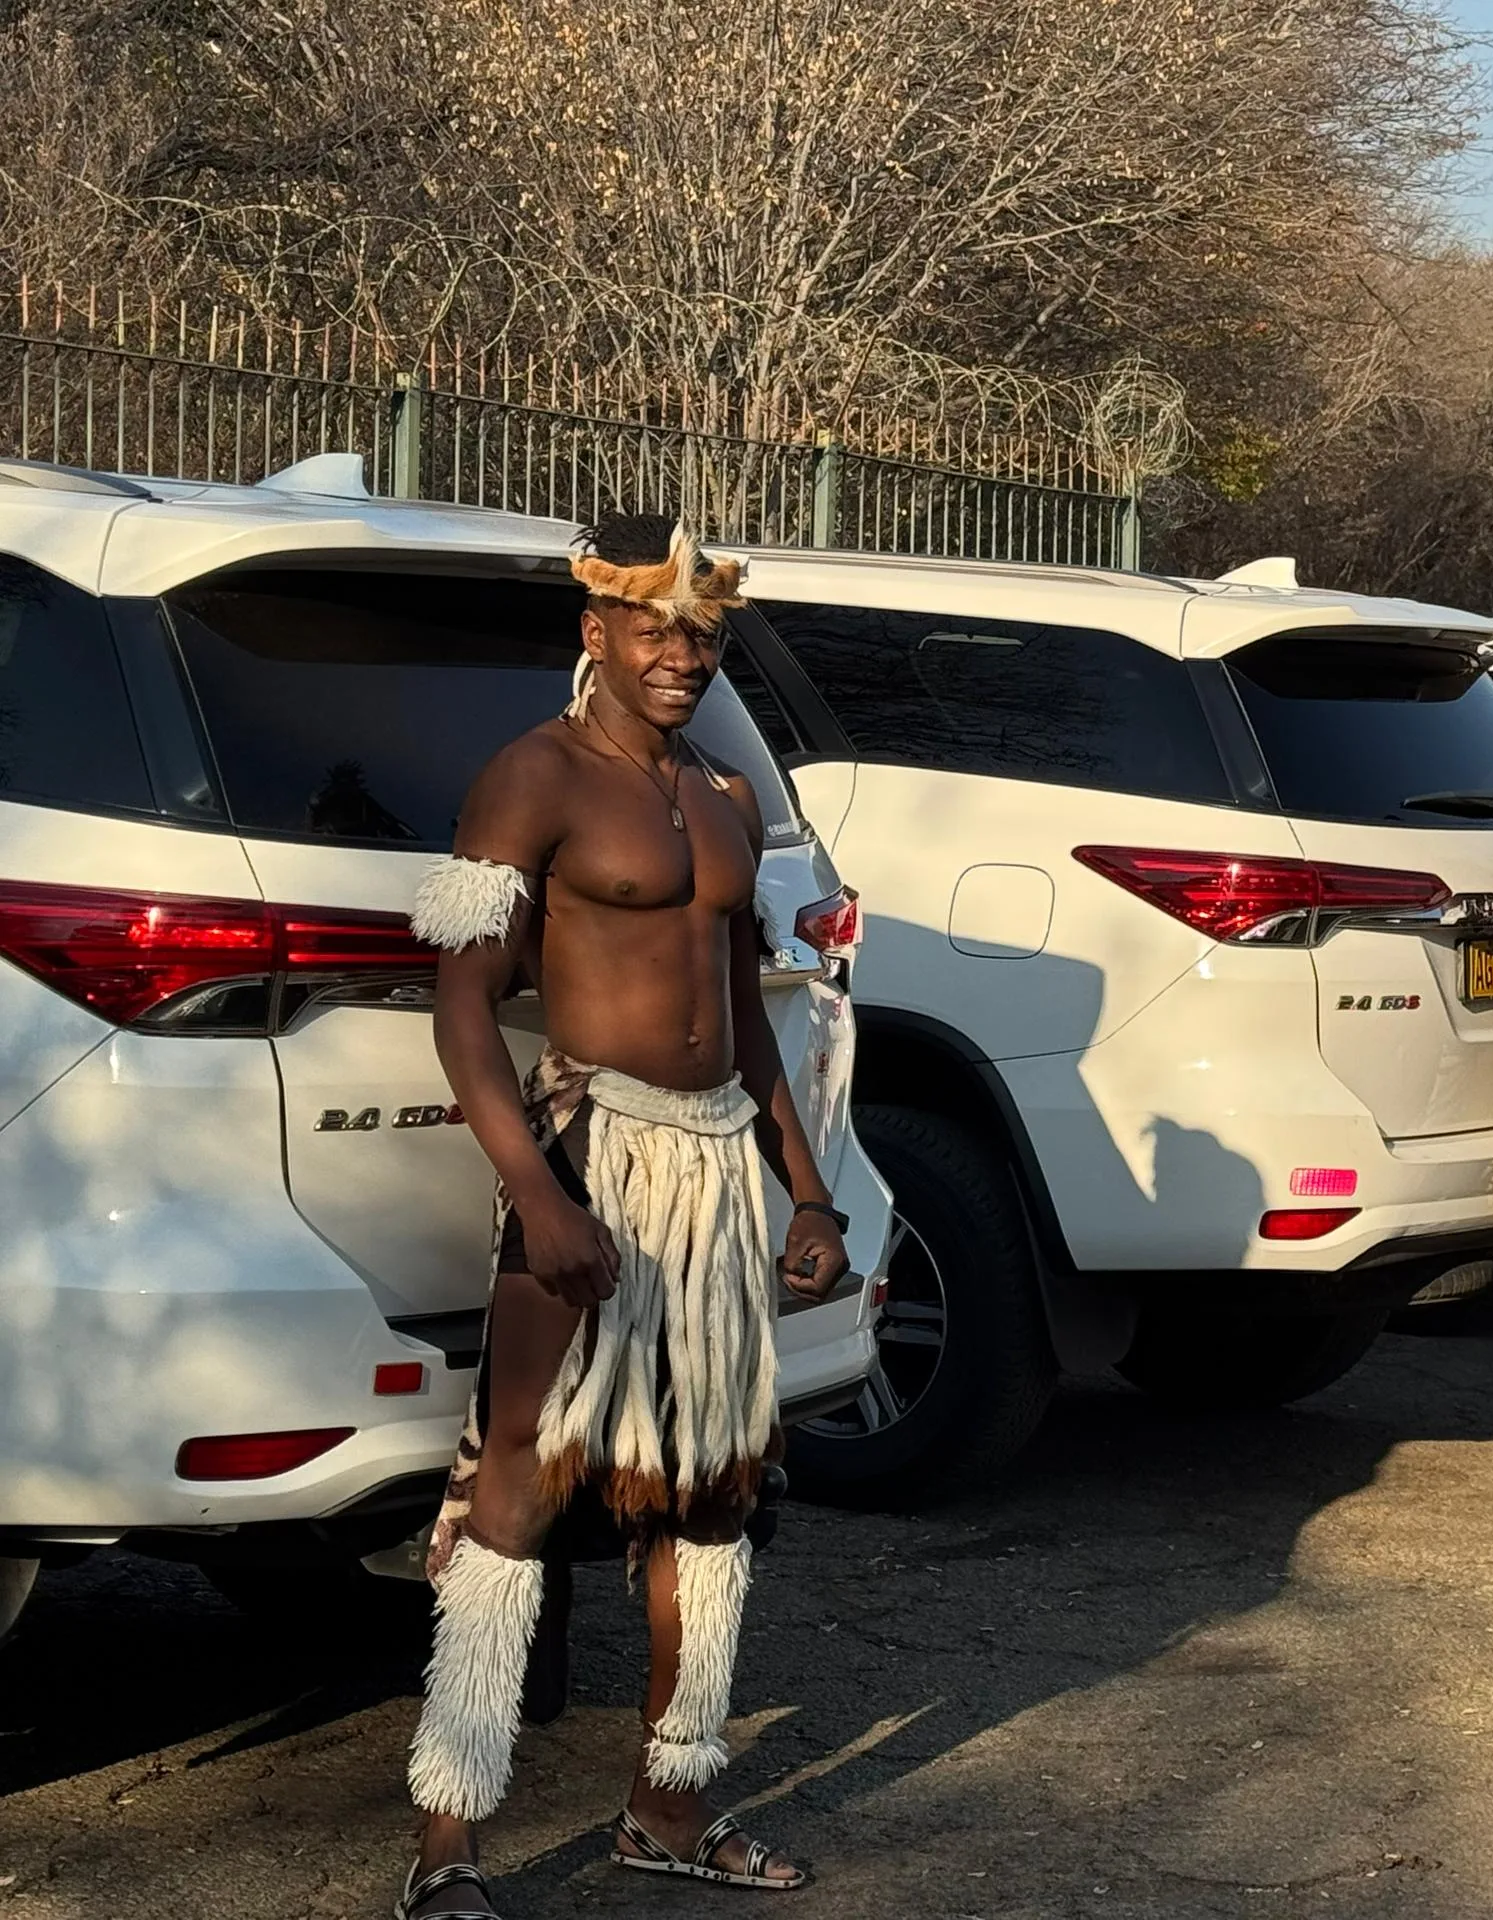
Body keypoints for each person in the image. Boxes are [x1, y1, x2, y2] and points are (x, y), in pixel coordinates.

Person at [397, 514, 851, 1919]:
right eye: (653, 629)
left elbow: (748, 1020)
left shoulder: (721, 791)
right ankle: (448, 1844)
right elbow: (460, 999)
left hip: (718, 1173)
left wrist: (809, 1186)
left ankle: (671, 1803)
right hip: (594, 1155)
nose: (679, 656)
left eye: (701, 637)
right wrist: (537, 1190)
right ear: (593, 632)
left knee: (711, 1491)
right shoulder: (528, 779)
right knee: (522, 1482)